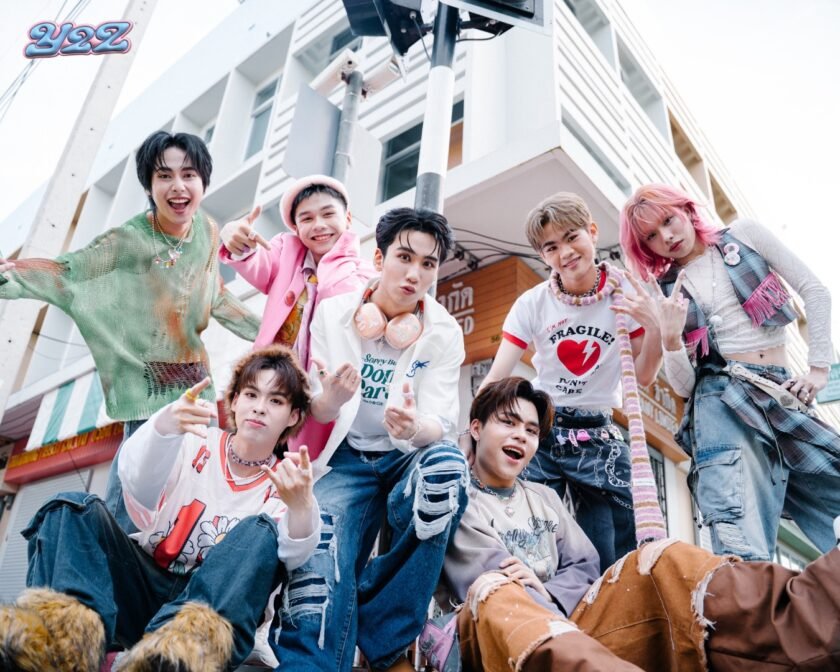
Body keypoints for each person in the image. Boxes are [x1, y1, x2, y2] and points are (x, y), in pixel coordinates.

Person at [434, 377, 840, 672]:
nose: (521, 436)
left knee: (659, 559)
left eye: (530, 430)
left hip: (570, 628)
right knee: (498, 590)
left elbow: (585, 567)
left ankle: (811, 615)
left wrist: (546, 589)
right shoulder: (457, 497)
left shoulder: (544, 497)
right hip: (497, 638)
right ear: (476, 429)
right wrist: (536, 593)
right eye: (508, 423)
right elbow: (487, 577)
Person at [0, 130, 262, 532]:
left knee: (195, 502)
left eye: (188, 175)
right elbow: (70, 273)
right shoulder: (130, 239)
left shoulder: (208, 232)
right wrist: (11, 277)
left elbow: (217, 297)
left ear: (203, 182)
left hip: (196, 391)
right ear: (149, 185)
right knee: (128, 511)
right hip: (146, 394)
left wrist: (274, 332)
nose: (178, 186)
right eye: (164, 176)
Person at [0, 345, 320, 672]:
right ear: (235, 400)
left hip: (203, 613)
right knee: (71, 507)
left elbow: (294, 553)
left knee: (261, 529)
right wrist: (164, 428)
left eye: (276, 401)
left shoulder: (290, 480)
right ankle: (60, 645)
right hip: (138, 586)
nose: (260, 408)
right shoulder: (195, 439)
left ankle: (176, 660)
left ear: (293, 416)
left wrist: (300, 507)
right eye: (251, 395)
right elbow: (138, 489)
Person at [273, 208, 469, 672]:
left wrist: (414, 428)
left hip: (406, 457)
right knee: (320, 548)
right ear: (379, 259)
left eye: (428, 263)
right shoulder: (334, 313)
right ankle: (312, 664)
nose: (414, 273)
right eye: (404, 257)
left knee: (446, 470)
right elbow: (319, 408)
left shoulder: (444, 332)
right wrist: (332, 398)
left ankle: (384, 642)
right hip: (345, 458)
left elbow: (441, 421)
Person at [620, 183, 840, 560]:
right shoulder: (665, 290)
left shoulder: (743, 235)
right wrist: (669, 338)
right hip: (719, 401)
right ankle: (748, 596)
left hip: (779, 392)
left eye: (668, 220)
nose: (666, 237)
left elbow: (814, 290)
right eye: (651, 236)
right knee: (739, 534)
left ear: (687, 210)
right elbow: (685, 387)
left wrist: (819, 369)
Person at [479, 192, 665, 571]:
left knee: (610, 546)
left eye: (571, 237)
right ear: (543, 256)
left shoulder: (626, 294)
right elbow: (497, 377)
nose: (565, 252)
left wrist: (656, 328)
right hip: (544, 429)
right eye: (551, 247)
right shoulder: (533, 303)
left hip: (597, 432)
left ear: (592, 232)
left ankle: (611, 606)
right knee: (530, 537)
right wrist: (475, 432)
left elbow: (644, 376)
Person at [219, 174, 376, 461]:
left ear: (347, 218)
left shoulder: (364, 273)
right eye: (306, 218)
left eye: (328, 214)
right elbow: (257, 263)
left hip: (318, 395)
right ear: (295, 227)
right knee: (249, 462)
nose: (319, 225)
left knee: (301, 467)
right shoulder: (285, 251)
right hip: (269, 386)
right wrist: (235, 237)